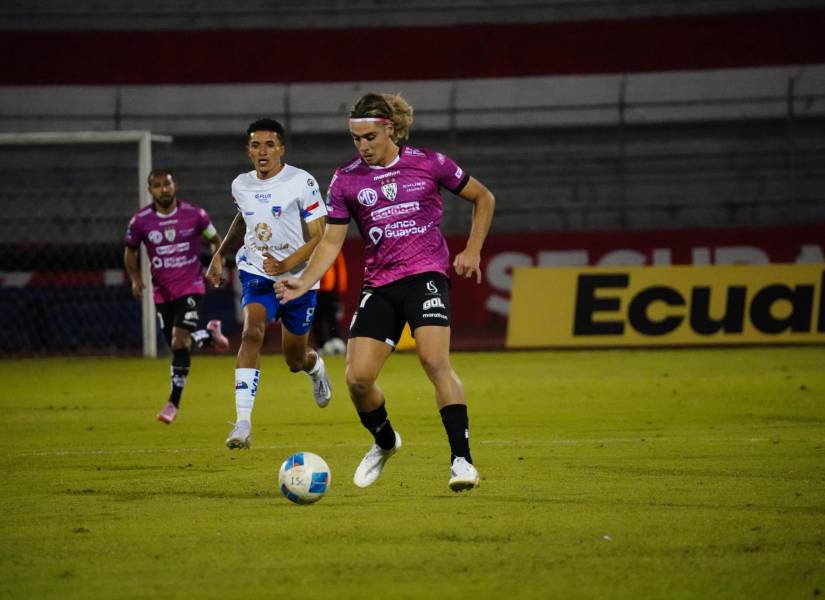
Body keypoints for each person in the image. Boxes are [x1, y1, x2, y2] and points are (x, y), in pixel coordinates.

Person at [276, 92, 495, 492]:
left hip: (426, 275)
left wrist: (473, 249)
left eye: (370, 138)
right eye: (356, 140)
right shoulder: (346, 179)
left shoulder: (430, 163)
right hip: (380, 284)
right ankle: (385, 441)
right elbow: (330, 242)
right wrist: (304, 280)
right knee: (357, 379)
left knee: (433, 360)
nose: (363, 147)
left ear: (389, 129)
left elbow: (484, 197)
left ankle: (462, 461)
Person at [206, 118, 332, 450]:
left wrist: (288, 266)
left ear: (281, 149)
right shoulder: (240, 185)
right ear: (247, 150)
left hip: (297, 279)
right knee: (252, 332)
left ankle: (314, 366)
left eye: (269, 145)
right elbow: (243, 219)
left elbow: (320, 236)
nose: (262, 152)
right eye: (255, 145)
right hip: (256, 271)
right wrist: (219, 254)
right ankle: (243, 424)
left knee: (293, 360)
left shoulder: (301, 181)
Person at [124, 168, 229, 424]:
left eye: (167, 184)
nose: (164, 189)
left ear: (175, 185)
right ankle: (208, 334)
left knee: (179, 342)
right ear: (150, 190)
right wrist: (136, 279)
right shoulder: (140, 221)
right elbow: (130, 251)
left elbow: (216, 241)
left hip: (191, 286)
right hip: (162, 292)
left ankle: (173, 403)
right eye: (157, 185)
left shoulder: (195, 215)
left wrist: (216, 265)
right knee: (176, 345)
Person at [313, 251, 348, 355]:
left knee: (332, 318)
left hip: (330, 291)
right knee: (316, 320)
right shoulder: (311, 249)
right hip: (314, 290)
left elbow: (340, 269)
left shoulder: (335, 249)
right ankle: (321, 346)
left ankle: (336, 342)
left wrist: (340, 289)